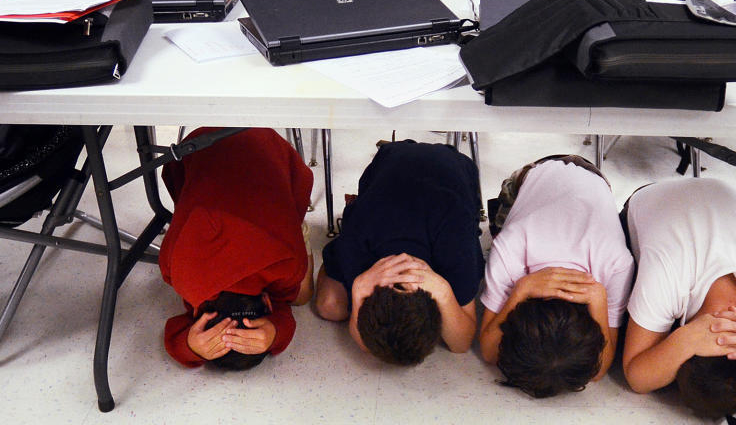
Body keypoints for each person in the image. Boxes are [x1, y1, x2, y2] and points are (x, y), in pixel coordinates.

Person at [620, 178, 736, 418]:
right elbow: (637, 376)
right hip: (653, 194)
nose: (727, 329)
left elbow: (638, 377)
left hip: (722, 192)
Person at [313, 140, 484, 365]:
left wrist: (442, 292)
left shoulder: (454, 244)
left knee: (332, 306)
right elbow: (364, 341)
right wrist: (358, 288)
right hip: (395, 162)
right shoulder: (359, 241)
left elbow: (461, 344)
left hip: (448, 176)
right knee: (329, 306)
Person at [478, 155, 635, 397]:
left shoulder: (617, 263)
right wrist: (520, 291)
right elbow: (489, 352)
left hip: (568, 182)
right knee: (500, 225)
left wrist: (519, 291)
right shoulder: (511, 248)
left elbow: (597, 370)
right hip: (548, 184)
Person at [158, 127, 314, 370]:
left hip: (266, 144)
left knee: (302, 295)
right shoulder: (176, 273)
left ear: (267, 302)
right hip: (198, 144)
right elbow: (173, 330)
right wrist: (188, 345)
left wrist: (275, 332)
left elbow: (285, 308)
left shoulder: (288, 267)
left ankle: (300, 232)